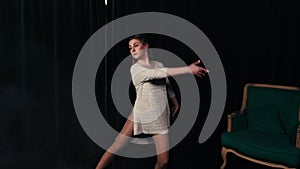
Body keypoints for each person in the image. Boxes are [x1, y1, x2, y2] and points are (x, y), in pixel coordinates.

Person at [95, 34, 208, 169]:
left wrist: (175, 102)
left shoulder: (158, 65)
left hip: (160, 114)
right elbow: (157, 74)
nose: (132, 49)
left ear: (146, 46)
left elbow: (166, 83)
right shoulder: (135, 68)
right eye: (130, 48)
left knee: (164, 160)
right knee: (117, 146)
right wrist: (188, 69)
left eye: (136, 45)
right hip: (141, 113)